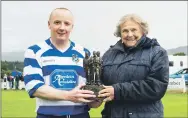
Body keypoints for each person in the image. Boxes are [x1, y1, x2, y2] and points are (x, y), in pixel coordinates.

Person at [23, 7, 97, 118]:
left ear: (72, 27)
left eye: (67, 23)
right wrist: (67, 96)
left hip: (80, 115)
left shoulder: (84, 53)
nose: (62, 28)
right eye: (57, 22)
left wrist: (96, 98)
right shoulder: (34, 51)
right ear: (49, 24)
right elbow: (34, 87)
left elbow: (89, 87)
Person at [97, 14, 169, 118]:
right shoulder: (109, 54)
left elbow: (156, 87)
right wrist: (94, 92)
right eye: (125, 31)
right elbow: (101, 82)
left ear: (143, 31)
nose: (129, 34)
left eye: (134, 30)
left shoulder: (157, 52)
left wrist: (117, 91)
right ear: (120, 34)